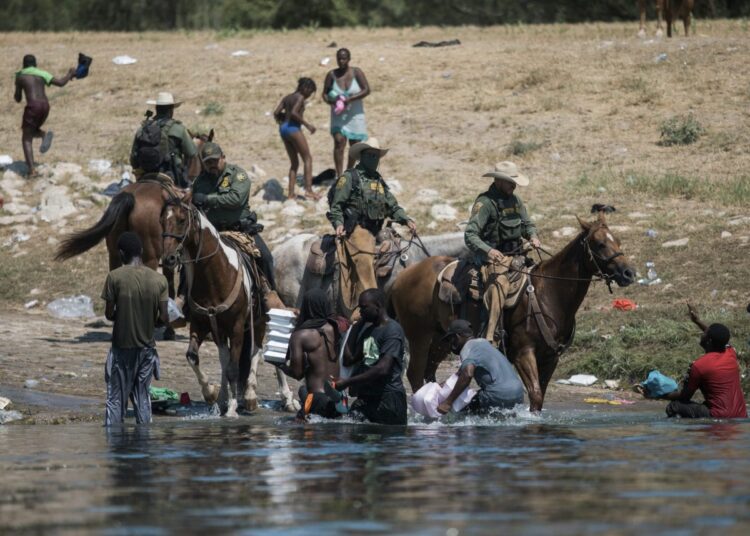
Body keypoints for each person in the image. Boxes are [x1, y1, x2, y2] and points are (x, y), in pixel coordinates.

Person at [327, 138, 417, 309]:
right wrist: (338, 223)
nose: (374, 159)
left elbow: (392, 206)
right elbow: (336, 205)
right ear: (361, 156)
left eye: (376, 156)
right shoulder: (349, 178)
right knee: (365, 259)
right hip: (357, 229)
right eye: (370, 155)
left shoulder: (379, 181)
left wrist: (405, 219)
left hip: (378, 229)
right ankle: (366, 305)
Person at [191, 142, 281, 307]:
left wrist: (207, 199)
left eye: (215, 160)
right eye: (208, 162)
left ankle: (269, 300)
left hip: (240, 229)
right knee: (189, 261)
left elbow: (236, 199)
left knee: (266, 258)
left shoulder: (237, 175)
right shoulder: (200, 181)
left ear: (223, 158)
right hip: (212, 232)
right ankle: (185, 301)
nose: (212, 165)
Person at [464, 161, 541, 345]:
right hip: (493, 258)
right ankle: (491, 337)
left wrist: (533, 236)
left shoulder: (516, 201)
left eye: (514, 181)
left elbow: (527, 224)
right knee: (499, 286)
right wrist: (489, 251)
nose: (513, 185)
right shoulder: (485, 203)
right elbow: (470, 234)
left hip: (517, 255)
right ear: (498, 181)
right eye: (509, 181)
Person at [101, 232, 169, 425]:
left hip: (121, 349)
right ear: (141, 251)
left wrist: (122, 315)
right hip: (147, 351)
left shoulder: (114, 277)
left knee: (115, 400)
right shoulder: (159, 280)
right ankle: (143, 443)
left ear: (122, 253)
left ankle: (115, 443)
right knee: (142, 398)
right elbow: (164, 318)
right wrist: (152, 321)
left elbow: (108, 314)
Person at [641, 304, 747, 419]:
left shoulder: (699, 366)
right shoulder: (730, 353)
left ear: (709, 340)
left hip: (718, 416)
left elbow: (684, 397)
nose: (702, 334)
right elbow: (718, 337)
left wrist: (657, 395)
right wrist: (697, 321)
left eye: (705, 334)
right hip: (741, 415)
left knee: (674, 406)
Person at [332, 289, 408, 425]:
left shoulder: (392, 330)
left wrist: (348, 382)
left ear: (378, 305)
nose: (360, 311)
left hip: (388, 399)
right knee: (352, 433)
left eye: (364, 307)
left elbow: (383, 368)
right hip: (367, 397)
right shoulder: (369, 331)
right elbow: (349, 359)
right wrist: (356, 326)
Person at [275, 289, 341, 420]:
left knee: (298, 430)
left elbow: (297, 374)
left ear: (305, 307)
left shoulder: (300, 336)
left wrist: (280, 365)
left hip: (316, 399)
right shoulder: (335, 328)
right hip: (338, 398)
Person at [437, 320, 524, 415]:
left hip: (498, 395)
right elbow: (459, 376)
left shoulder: (467, 348)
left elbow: (467, 374)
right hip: (518, 394)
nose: (450, 344)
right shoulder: (484, 344)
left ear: (457, 337)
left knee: (461, 414)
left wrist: (447, 402)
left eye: (451, 340)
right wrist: (438, 387)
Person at [14, 54, 75, 177]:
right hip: (45, 106)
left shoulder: (20, 75)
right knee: (31, 130)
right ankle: (42, 134)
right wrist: (70, 74)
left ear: (24, 65)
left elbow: (18, 98)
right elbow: (61, 83)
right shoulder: (42, 73)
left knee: (26, 137)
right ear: (35, 64)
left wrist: (18, 89)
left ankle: (32, 170)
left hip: (33, 106)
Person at [130, 92, 198, 187]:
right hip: (173, 175)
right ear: (171, 110)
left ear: (156, 108)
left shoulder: (143, 129)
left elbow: (133, 158)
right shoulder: (178, 128)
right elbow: (192, 154)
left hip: (145, 175)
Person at [322, 48, 370, 177]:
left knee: (354, 145)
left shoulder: (356, 72)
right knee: (339, 142)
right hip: (338, 114)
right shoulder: (331, 75)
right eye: (339, 58)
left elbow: (366, 89)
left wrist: (350, 99)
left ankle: (348, 172)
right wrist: (332, 102)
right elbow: (325, 94)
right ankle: (339, 174)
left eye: (344, 58)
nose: (341, 61)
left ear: (349, 59)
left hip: (355, 114)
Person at [274, 77, 319, 200]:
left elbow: (276, 112)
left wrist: (282, 120)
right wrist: (307, 125)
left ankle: (290, 194)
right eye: (310, 92)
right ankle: (309, 190)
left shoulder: (287, 97)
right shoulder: (300, 97)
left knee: (294, 163)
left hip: (283, 129)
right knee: (307, 158)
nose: (309, 95)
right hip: (293, 129)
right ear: (305, 88)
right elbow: (294, 113)